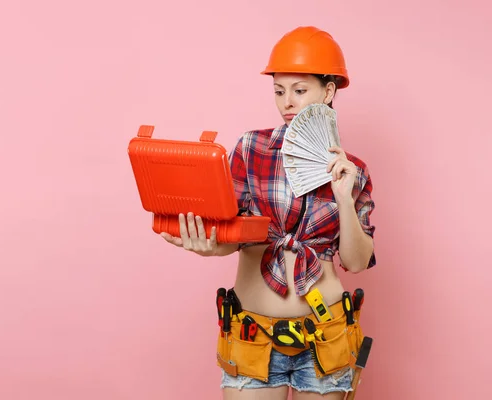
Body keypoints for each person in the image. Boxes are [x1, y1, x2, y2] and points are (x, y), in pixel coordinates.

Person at [161, 26, 376, 400]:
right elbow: (235, 235)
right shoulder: (251, 148)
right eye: (279, 91)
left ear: (328, 91)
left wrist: (344, 197)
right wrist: (210, 246)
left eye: (299, 90)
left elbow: (355, 262)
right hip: (251, 334)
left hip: (324, 338)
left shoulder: (353, 170)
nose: (287, 103)